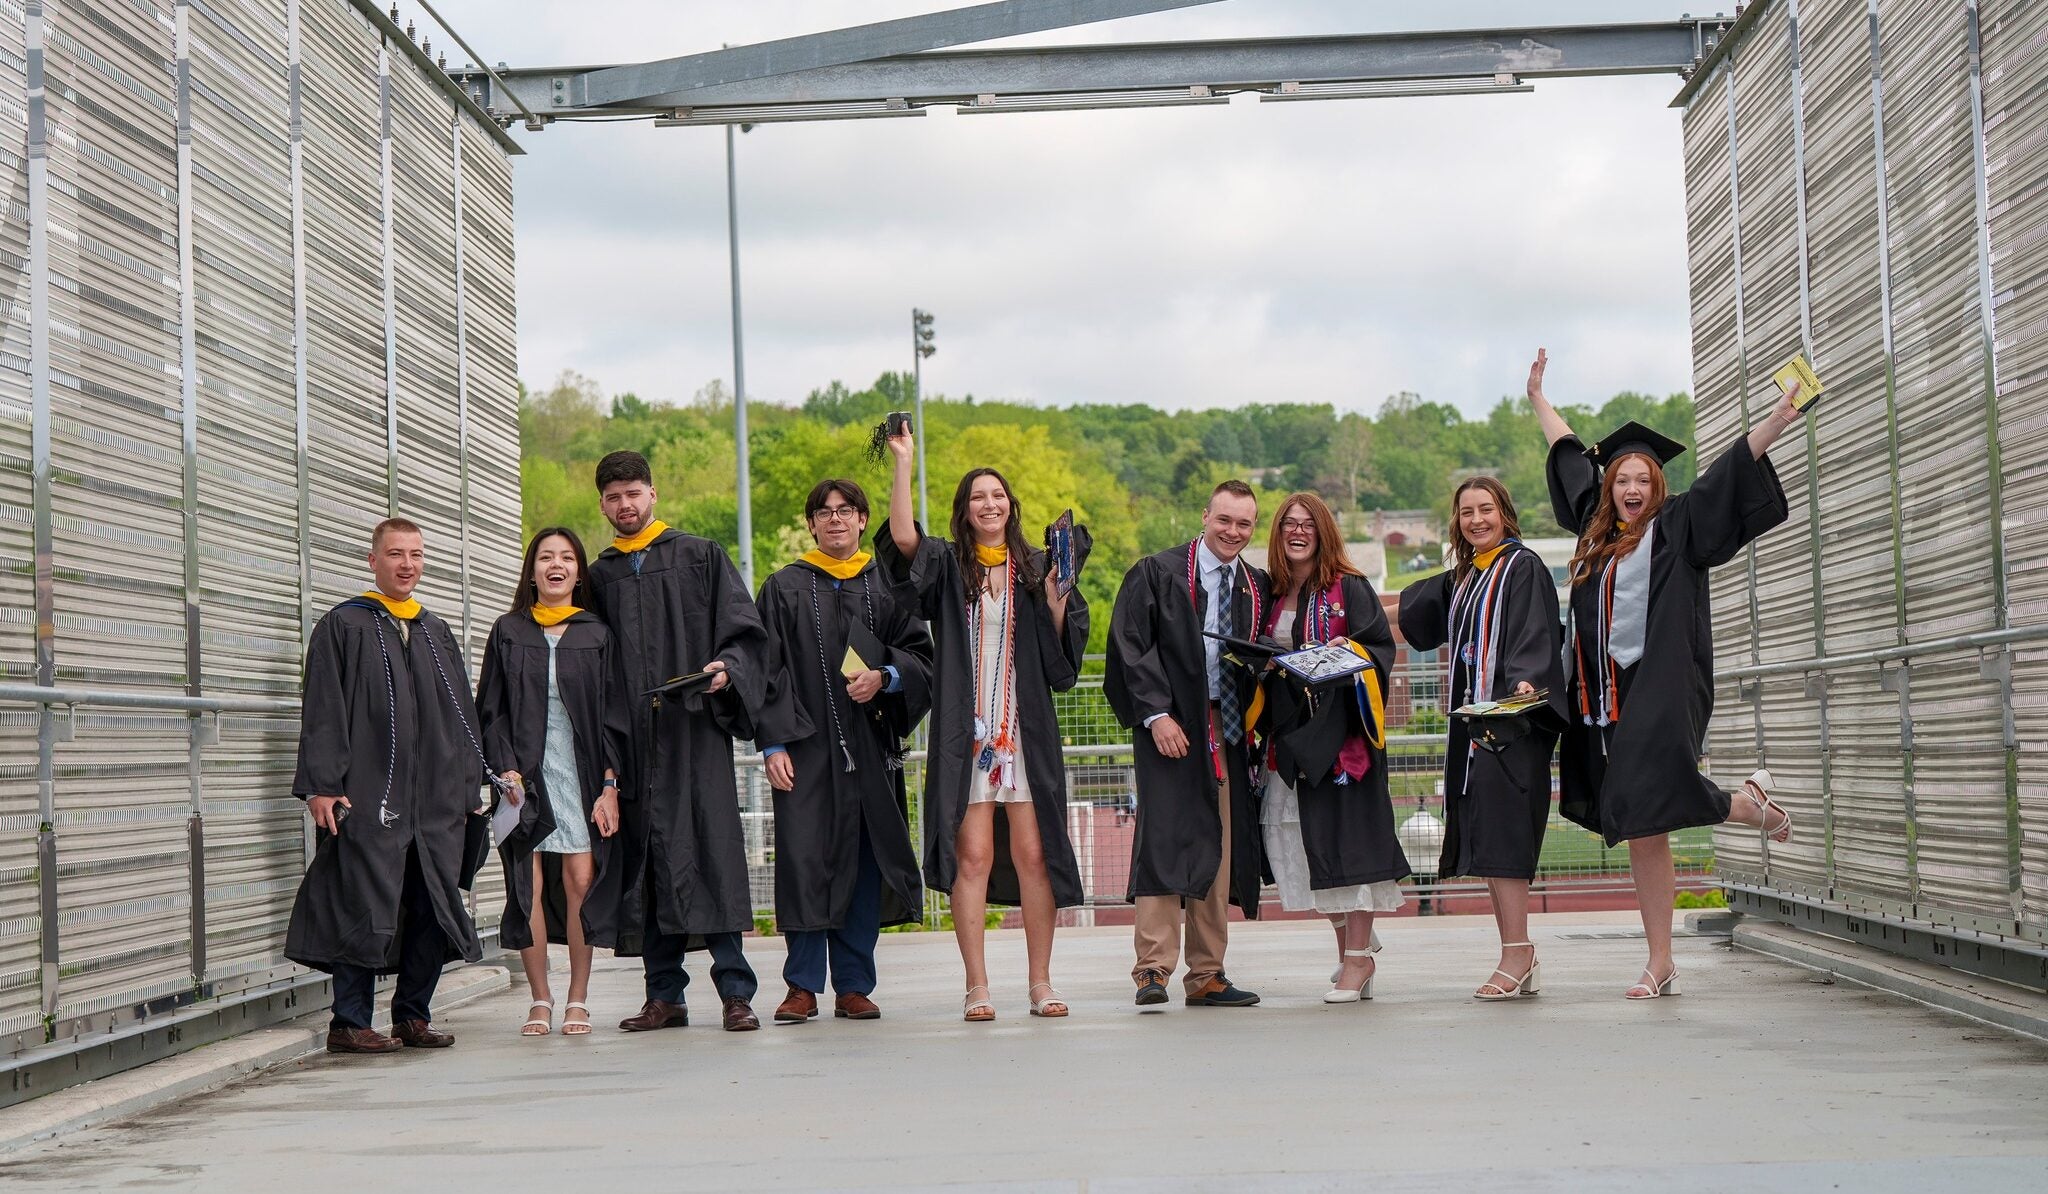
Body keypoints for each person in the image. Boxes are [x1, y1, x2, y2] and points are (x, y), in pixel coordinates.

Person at [1527, 348, 1801, 999]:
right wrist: (1538, 396)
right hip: (1605, 697)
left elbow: (1729, 474)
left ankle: (1743, 810)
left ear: (1656, 486)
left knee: (1650, 795)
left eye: (1641, 480)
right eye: (1620, 479)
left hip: (1663, 685)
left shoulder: (1678, 526)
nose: (1630, 489)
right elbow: (1569, 455)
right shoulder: (1594, 537)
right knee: (1642, 824)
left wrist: (1779, 418)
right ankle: (1663, 955)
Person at [877, 429, 1089, 1022]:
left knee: (1034, 854)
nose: (989, 505)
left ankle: (1041, 983)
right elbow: (901, 538)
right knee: (970, 856)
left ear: (1011, 506)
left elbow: (1059, 660)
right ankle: (977, 986)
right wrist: (904, 462)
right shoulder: (948, 565)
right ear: (965, 510)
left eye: (998, 496)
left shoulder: (1035, 566)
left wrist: (1054, 596)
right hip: (966, 736)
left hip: (1024, 733)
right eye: (978, 498)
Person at [287, 518, 505, 1054]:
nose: (407, 564)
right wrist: (321, 785)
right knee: (361, 900)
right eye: (395, 554)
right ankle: (349, 1020)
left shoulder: (435, 630)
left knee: (433, 904)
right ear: (373, 560)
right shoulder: (343, 625)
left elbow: (462, 718)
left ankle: (412, 1014)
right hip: (367, 795)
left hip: (434, 801)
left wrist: (470, 786)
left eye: (416, 554)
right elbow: (323, 710)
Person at [587, 450, 769, 1033]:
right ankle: (664, 996)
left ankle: (736, 994)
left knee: (711, 856)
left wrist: (725, 670)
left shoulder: (698, 556)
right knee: (649, 865)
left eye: (634, 493)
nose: (625, 505)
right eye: (614, 497)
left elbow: (744, 634)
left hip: (694, 736)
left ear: (653, 494)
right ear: (603, 505)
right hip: (633, 743)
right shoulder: (601, 575)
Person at [755, 479, 934, 1023]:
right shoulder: (784, 586)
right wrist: (773, 743)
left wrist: (886, 678)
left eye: (847, 511)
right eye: (824, 512)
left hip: (870, 750)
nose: (835, 519)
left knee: (861, 864)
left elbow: (922, 655)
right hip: (805, 752)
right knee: (806, 862)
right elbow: (766, 670)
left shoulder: (886, 585)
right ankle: (802, 987)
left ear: (862, 520)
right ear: (810, 523)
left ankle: (854, 985)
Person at [1398, 477, 1566, 1001]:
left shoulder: (1524, 567)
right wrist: (1347, 627)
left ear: (1505, 513)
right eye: (1467, 512)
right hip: (1475, 731)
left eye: (1486, 509)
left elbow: (1538, 633)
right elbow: (1408, 617)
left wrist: (1524, 678)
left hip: (1512, 725)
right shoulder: (1467, 576)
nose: (1477, 520)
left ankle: (1517, 952)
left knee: (1506, 838)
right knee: (1489, 839)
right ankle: (1518, 951)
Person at [1105, 480, 1269, 1009]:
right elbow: (1131, 646)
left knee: (1217, 848)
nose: (1233, 532)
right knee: (1163, 841)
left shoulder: (1255, 584)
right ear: (1205, 516)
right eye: (1224, 520)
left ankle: (1207, 974)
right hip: (1171, 727)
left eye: (1244, 524)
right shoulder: (1158, 571)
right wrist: (1156, 716)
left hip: (1228, 731)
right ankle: (1152, 969)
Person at [1254, 493, 1409, 1004]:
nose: (1297, 533)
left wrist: (1351, 653)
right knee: (1305, 845)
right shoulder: (1271, 592)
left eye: (1307, 525)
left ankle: (1358, 960)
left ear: (1324, 532)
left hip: (1344, 742)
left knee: (1348, 845)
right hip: (1292, 740)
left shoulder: (1350, 587)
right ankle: (1353, 950)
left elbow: (1379, 650)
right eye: (1288, 525)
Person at [476, 527, 630, 1036]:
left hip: (582, 776)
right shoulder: (509, 631)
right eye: (545, 557)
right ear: (533, 570)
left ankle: (578, 999)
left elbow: (614, 715)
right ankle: (540, 999)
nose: (555, 565)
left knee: (581, 883)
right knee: (529, 888)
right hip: (525, 779)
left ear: (578, 572)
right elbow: (491, 709)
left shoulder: (596, 633)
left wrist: (610, 785)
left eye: (566, 557)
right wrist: (504, 770)